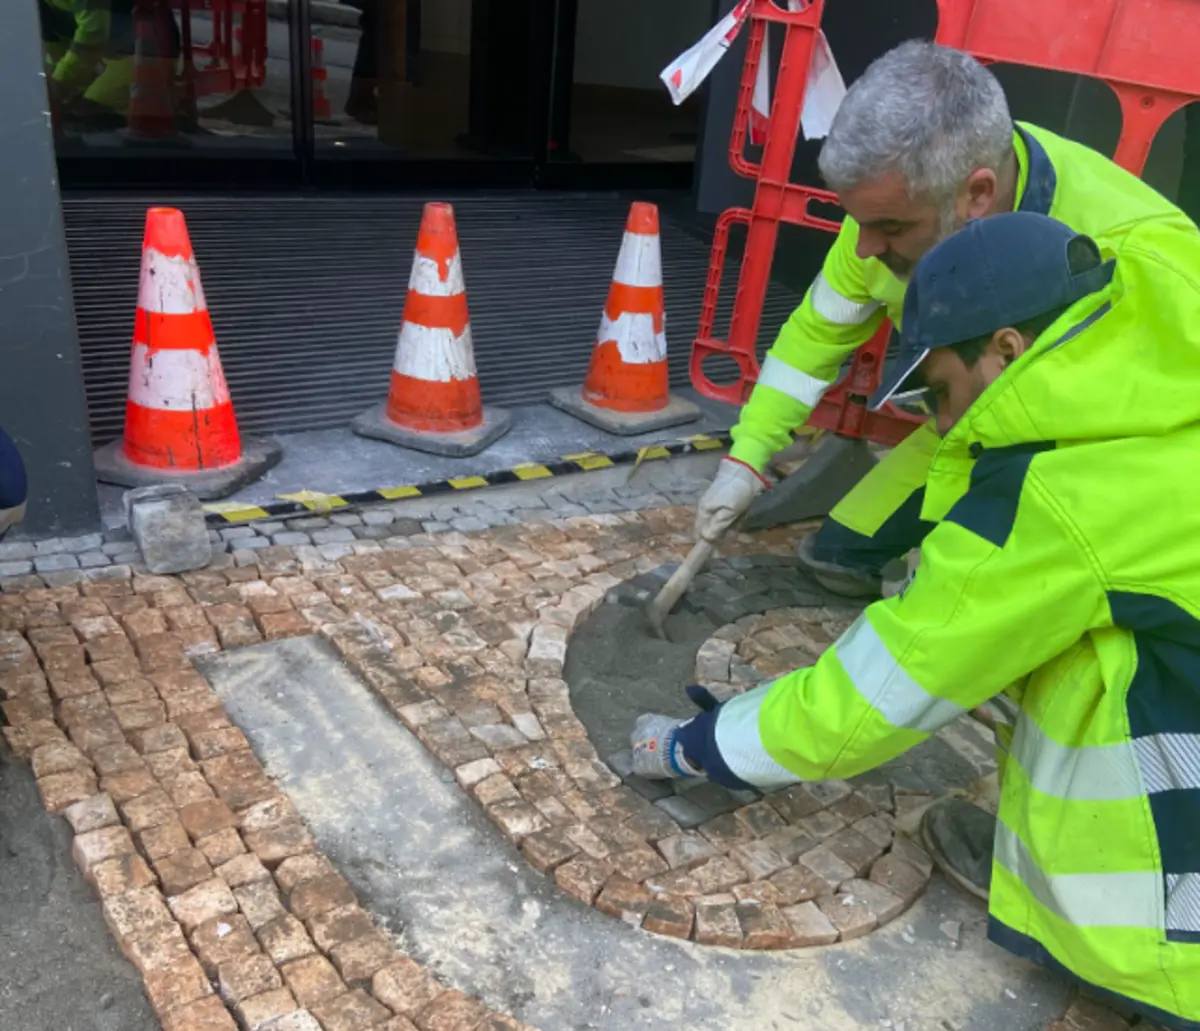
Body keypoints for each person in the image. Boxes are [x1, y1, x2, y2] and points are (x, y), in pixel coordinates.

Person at [635, 210, 1200, 1030]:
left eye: (939, 389)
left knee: (1074, 684)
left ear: (1007, 348)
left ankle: (1153, 950)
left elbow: (882, 690)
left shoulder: (1054, 497)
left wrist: (703, 746)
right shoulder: (1161, 326)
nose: (936, 422)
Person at [695, 40, 1200, 600]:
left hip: (1094, 466)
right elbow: (813, 339)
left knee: (986, 601)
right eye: (858, 220)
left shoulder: (1136, 251)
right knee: (838, 554)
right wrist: (746, 458)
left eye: (888, 226)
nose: (863, 248)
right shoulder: (885, 216)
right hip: (967, 431)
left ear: (977, 194)